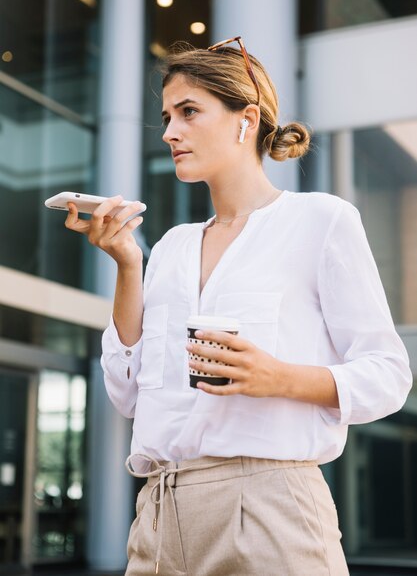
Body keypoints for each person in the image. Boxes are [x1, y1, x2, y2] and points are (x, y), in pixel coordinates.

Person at [65, 36, 413, 576]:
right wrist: (128, 265)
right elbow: (128, 393)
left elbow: (388, 376)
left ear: (245, 119)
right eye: (165, 117)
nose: (169, 132)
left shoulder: (321, 221)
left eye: (188, 112)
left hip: (270, 508)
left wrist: (277, 377)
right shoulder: (174, 246)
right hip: (158, 515)